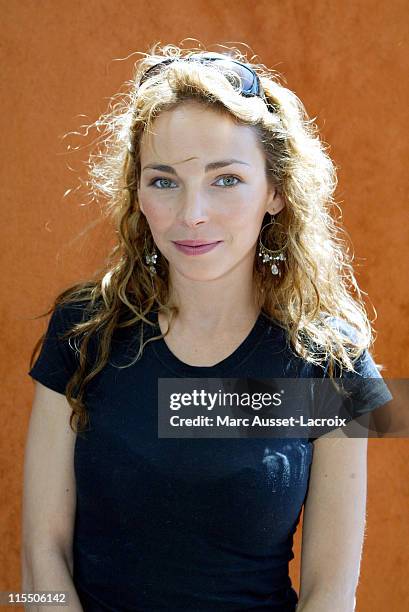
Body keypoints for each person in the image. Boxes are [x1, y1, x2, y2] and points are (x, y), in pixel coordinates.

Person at [23, 43, 393, 612]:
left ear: (275, 191)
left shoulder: (330, 362)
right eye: (164, 181)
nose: (192, 212)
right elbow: (40, 559)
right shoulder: (83, 332)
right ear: (137, 194)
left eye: (225, 180)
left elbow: (330, 593)